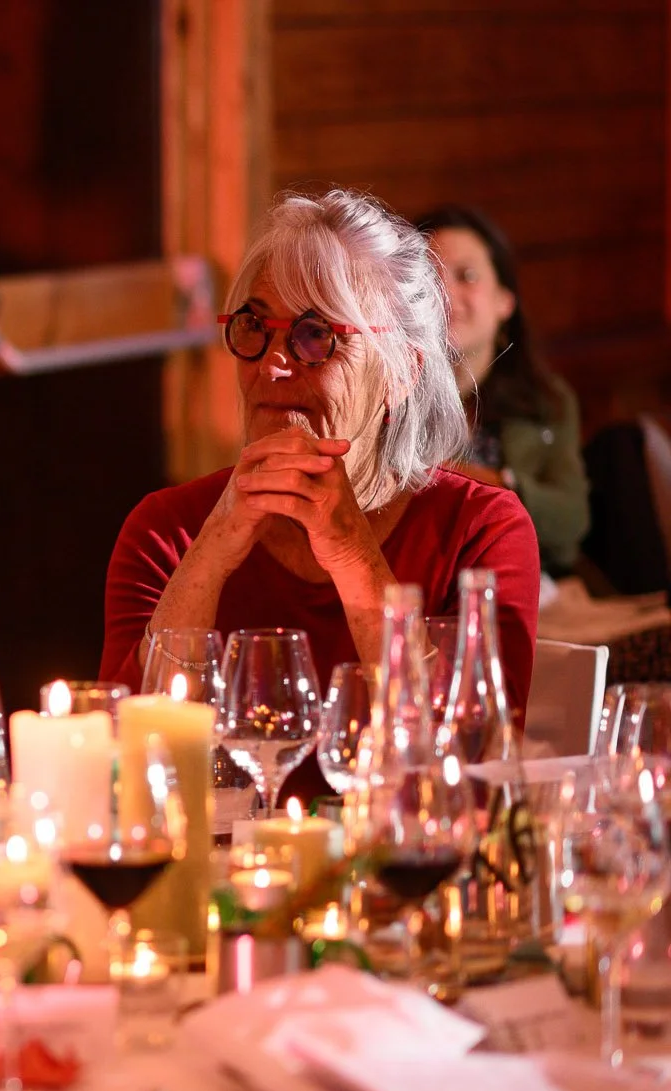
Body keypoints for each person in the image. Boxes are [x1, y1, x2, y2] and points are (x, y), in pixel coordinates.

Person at [100, 188, 541, 711]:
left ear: (402, 372)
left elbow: (474, 752)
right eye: (255, 327)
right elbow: (125, 748)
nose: (273, 364)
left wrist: (352, 555)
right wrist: (212, 552)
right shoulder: (167, 531)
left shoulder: (479, 530)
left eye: (316, 335)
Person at [416, 204, 588, 574]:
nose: (444, 293)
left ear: (504, 301)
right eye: (429, 276)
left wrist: (490, 482)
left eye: (467, 275)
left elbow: (571, 520)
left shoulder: (545, 400)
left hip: (525, 585)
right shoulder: (389, 393)